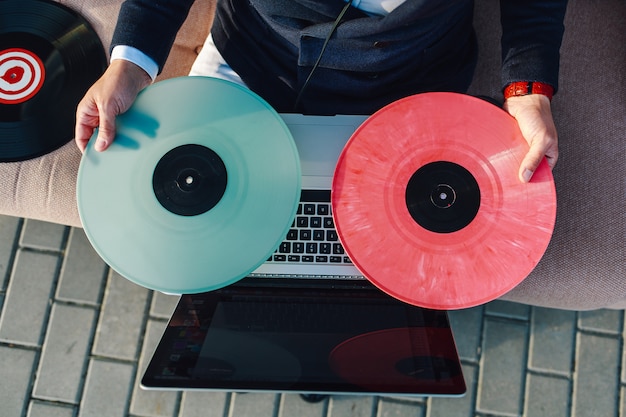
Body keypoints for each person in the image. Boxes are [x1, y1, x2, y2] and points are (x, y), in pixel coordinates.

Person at [75, 0, 568, 183]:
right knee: (189, 250)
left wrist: (528, 91)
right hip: (253, 55)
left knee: (392, 261)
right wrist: (131, 63)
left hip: (411, 79)